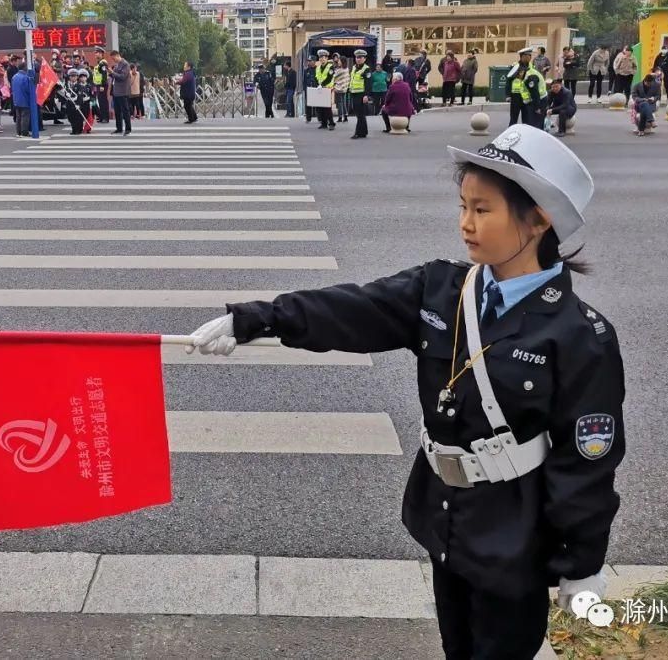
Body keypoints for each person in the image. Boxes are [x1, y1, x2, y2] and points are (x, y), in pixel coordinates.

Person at [184, 124, 624, 660]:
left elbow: (587, 464)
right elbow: (351, 309)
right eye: (463, 205)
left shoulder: (580, 335)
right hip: (444, 516)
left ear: (538, 218)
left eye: (483, 210)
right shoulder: (441, 287)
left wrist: (582, 564)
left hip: (515, 537)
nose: (465, 224)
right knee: (456, 646)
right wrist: (257, 319)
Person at [348, 49, 373, 140]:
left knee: (360, 114)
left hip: (361, 94)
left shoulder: (366, 69)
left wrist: (366, 95)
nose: (358, 59)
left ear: (364, 59)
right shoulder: (354, 67)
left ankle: (358, 133)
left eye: (360, 57)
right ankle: (364, 132)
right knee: (359, 114)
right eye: (357, 57)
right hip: (354, 93)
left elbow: (368, 83)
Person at [109, 49, 132, 136]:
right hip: (116, 91)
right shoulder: (117, 64)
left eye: (113, 58)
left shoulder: (125, 64)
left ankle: (128, 129)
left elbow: (122, 77)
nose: (113, 60)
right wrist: (109, 72)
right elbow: (114, 75)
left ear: (117, 55)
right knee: (117, 111)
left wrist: (113, 72)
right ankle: (119, 128)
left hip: (123, 91)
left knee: (125, 111)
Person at [313, 49, 336, 130]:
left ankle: (331, 123)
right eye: (320, 58)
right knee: (320, 107)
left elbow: (329, 78)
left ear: (327, 58)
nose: (322, 59)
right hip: (320, 89)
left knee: (327, 107)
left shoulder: (331, 67)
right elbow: (316, 77)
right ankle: (324, 123)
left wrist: (321, 85)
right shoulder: (318, 67)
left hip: (327, 89)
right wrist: (317, 85)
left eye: (323, 57)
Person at [11, 63, 33, 137]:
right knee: (25, 116)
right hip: (24, 99)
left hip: (16, 100)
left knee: (18, 117)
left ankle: (18, 132)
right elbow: (28, 89)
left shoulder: (14, 77)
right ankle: (24, 132)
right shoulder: (25, 77)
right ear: (24, 68)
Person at [92, 47, 110, 124]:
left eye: (97, 53)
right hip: (99, 85)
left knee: (103, 102)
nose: (96, 54)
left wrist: (102, 85)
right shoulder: (99, 63)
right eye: (95, 53)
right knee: (100, 101)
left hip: (102, 85)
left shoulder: (103, 62)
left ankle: (105, 118)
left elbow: (104, 74)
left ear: (101, 54)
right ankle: (102, 117)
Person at [332, 53, 350, 124]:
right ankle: (345, 116)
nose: (338, 62)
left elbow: (334, 77)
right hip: (344, 88)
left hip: (339, 88)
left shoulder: (340, 70)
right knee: (343, 102)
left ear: (342, 62)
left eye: (339, 61)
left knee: (339, 103)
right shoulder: (347, 69)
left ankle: (340, 117)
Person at [303, 56, 318, 123]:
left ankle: (319, 118)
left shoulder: (318, 69)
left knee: (318, 104)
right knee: (308, 104)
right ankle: (308, 118)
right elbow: (304, 81)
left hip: (316, 88)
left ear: (314, 61)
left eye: (310, 61)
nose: (308, 62)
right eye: (308, 61)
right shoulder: (306, 70)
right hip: (308, 89)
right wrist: (304, 89)